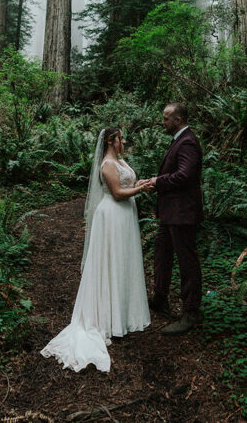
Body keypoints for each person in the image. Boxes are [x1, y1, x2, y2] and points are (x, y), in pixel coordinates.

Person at [41, 127, 152, 372]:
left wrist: (140, 183)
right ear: (112, 141)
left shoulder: (119, 160)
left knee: (123, 263)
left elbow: (128, 183)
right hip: (112, 216)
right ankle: (107, 318)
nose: (124, 141)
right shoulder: (107, 164)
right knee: (111, 263)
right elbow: (118, 193)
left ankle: (122, 314)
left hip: (124, 217)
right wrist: (141, 190)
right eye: (121, 138)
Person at [144, 102, 204, 335]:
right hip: (170, 214)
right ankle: (160, 298)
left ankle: (191, 312)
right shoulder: (180, 139)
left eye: (166, 118)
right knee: (162, 253)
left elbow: (185, 175)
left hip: (182, 215)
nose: (163, 121)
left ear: (178, 120)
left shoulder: (188, 141)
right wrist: (156, 181)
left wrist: (158, 182)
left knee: (187, 262)